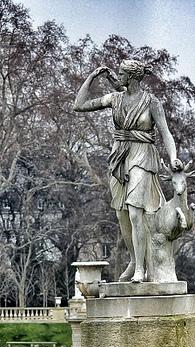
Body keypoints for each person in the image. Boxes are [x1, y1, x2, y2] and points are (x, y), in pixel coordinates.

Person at [73, 59, 183, 282]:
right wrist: (92, 77)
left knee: (135, 212)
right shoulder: (115, 99)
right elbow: (79, 105)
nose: (117, 75)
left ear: (131, 77)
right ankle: (134, 260)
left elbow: (165, 133)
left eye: (121, 73)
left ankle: (141, 270)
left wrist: (173, 158)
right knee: (122, 214)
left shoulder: (152, 102)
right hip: (119, 158)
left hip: (143, 156)